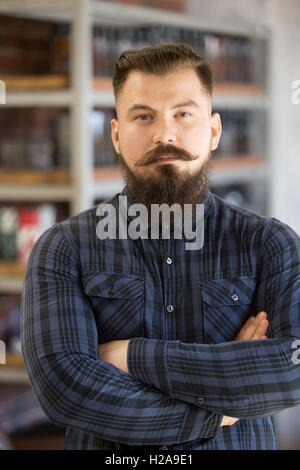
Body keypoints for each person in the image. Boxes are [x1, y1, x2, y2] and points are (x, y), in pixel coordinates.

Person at [20, 44, 300, 450]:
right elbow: (65, 390)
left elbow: (291, 368)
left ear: (214, 131)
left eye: (183, 114)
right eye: (143, 116)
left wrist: (129, 357)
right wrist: (221, 410)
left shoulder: (270, 244)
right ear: (116, 135)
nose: (164, 134)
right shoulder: (65, 249)